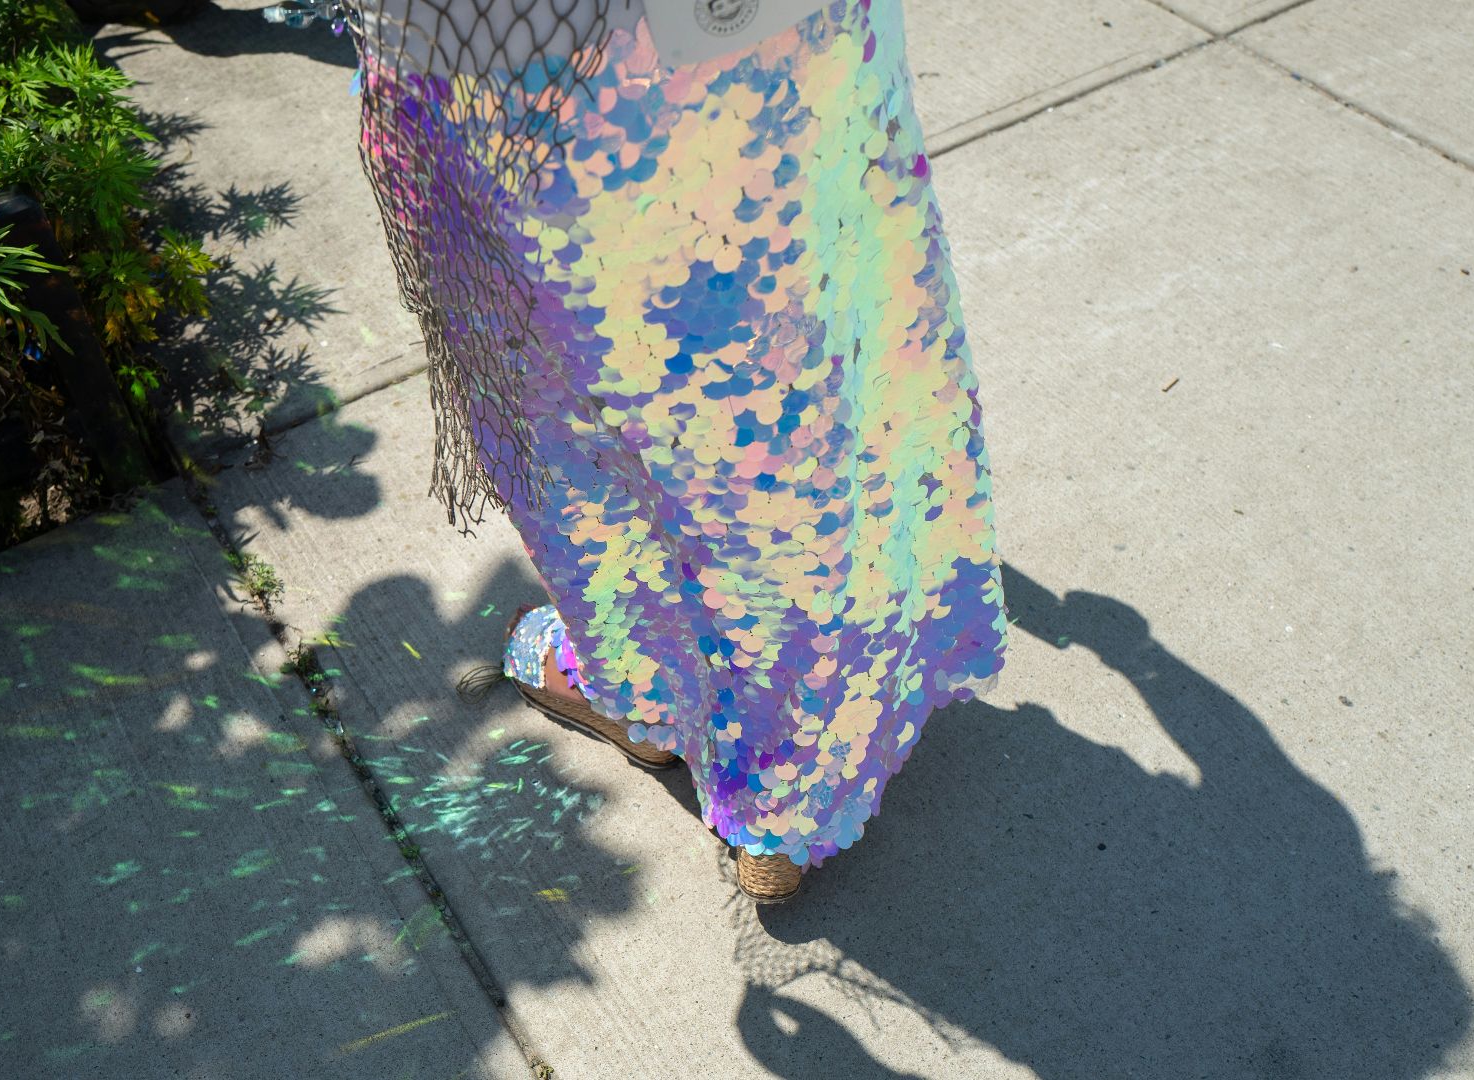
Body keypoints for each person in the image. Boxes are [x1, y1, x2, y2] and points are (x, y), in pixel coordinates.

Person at [335, 0, 1007, 904]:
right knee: (804, 344)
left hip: (521, 53)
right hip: (769, 35)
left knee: (588, 380)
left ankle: (670, 705)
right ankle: (798, 744)